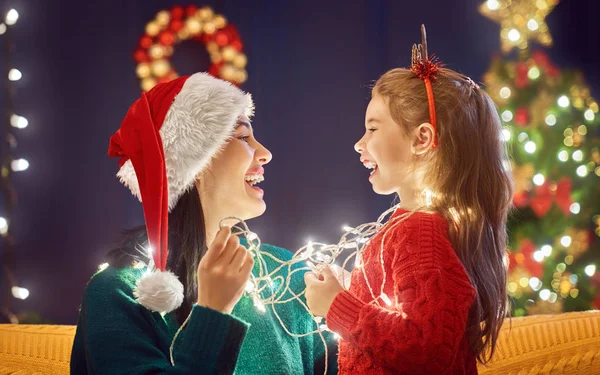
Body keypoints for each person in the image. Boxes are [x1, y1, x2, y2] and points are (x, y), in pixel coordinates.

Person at [70, 72, 337, 374]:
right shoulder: (119, 293)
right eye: (242, 136)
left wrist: (350, 318)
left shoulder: (285, 275)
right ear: (195, 161)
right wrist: (213, 314)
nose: (265, 153)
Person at [304, 25, 513, 374]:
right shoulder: (409, 225)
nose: (360, 143)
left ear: (421, 139)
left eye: (372, 128)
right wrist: (352, 295)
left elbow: (426, 350)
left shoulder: (421, 234)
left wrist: (337, 306)